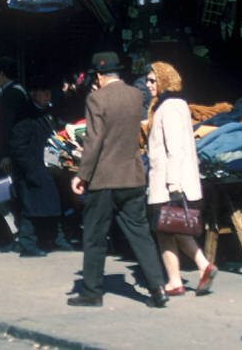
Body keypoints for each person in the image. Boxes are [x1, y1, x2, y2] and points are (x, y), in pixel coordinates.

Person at [67, 52, 169, 309]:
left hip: (104, 179)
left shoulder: (96, 99)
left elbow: (94, 141)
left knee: (94, 236)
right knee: (140, 234)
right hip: (132, 176)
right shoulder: (136, 96)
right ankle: (157, 287)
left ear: (99, 75)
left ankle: (91, 291)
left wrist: (82, 174)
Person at [144, 61, 215, 295]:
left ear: (164, 80)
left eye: (152, 80)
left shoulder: (170, 107)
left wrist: (173, 184)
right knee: (169, 230)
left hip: (169, 182)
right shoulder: (171, 105)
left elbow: (175, 148)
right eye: (147, 80)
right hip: (169, 181)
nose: (148, 84)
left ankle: (197, 268)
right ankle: (179, 278)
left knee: (166, 229)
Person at [0, 56, 36, 250]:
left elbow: (10, 127)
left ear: (2, 74)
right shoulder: (12, 93)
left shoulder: (12, 95)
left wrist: (6, 154)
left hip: (5, 155)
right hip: (4, 153)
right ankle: (13, 234)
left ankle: (18, 235)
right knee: (2, 193)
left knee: (6, 194)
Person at [10, 80, 61, 258]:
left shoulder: (45, 112)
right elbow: (19, 145)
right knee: (31, 208)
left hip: (44, 164)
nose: (48, 97)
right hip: (31, 168)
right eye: (44, 93)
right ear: (34, 94)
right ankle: (27, 243)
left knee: (48, 203)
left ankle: (51, 238)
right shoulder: (26, 115)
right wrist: (31, 169)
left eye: (49, 93)